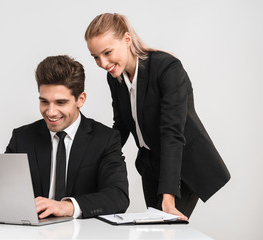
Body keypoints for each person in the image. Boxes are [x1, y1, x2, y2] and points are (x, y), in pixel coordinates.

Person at [85, 13, 230, 220]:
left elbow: (172, 133)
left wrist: (168, 199)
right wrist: (94, 157)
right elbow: (121, 125)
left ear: (127, 40)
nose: (103, 63)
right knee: (153, 229)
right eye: (96, 57)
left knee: (164, 227)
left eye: (107, 52)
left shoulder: (167, 68)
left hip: (182, 163)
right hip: (151, 163)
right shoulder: (114, 77)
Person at [5, 55, 129, 219]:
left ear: (80, 100)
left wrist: (68, 207)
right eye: (44, 102)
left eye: (60, 103)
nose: (50, 112)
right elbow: (2, 190)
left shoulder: (105, 139)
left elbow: (117, 196)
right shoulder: (22, 138)